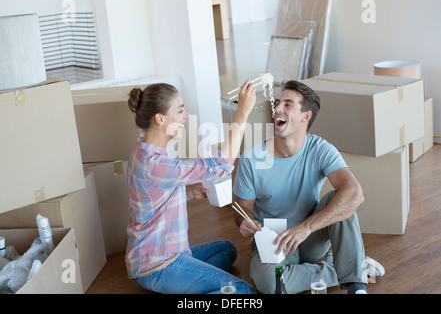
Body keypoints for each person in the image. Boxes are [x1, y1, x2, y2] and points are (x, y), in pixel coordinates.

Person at [232, 80, 385, 294]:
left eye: (287, 104)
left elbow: (355, 194)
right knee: (271, 284)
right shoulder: (251, 157)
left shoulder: (321, 149)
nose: (277, 109)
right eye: (277, 103)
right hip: (273, 240)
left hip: (311, 236)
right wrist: (245, 220)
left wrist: (306, 228)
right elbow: (242, 209)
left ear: (306, 116)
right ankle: (353, 265)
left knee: (342, 197)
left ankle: (356, 287)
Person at [125, 81, 256, 294]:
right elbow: (222, 165)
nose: (186, 116)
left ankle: (186, 284)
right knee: (242, 291)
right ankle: (181, 285)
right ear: (160, 119)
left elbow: (151, 196)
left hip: (164, 255)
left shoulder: (143, 151)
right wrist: (242, 112)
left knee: (228, 249)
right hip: (158, 265)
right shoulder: (155, 164)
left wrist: (186, 193)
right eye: (180, 110)